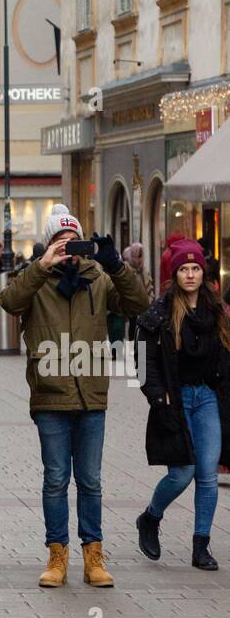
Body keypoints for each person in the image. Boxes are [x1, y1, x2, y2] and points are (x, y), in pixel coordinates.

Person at [0, 204, 148, 589]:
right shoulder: (34, 280)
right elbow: (10, 302)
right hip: (50, 395)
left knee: (91, 480)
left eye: (73, 240)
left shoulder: (98, 278)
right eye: (59, 241)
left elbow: (139, 305)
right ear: (48, 244)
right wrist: (42, 265)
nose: (68, 247)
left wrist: (117, 265)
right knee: (55, 479)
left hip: (91, 396)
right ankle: (57, 556)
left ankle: (93, 557)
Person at [135, 240, 230, 571]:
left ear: (203, 273)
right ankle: (150, 517)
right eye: (183, 269)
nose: (190, 275)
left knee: (207, 474)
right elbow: (143, 355)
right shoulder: (161, 312)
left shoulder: (216, 311)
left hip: (207, 399)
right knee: (182, 473)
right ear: (174, 274)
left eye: (195, 269)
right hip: (175, 401)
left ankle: (201, 545)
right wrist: (155, 394)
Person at [122, 243, 154, 342]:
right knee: (133, 325)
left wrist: (150, 299)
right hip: (131, 305)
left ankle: (140, 348)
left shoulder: (143, 269)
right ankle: (132, 345)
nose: (140, 259)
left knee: (142, 329)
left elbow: (149, 286)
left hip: (144, 304)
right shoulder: (127, 268)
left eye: (141, 256)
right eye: (138, 256)